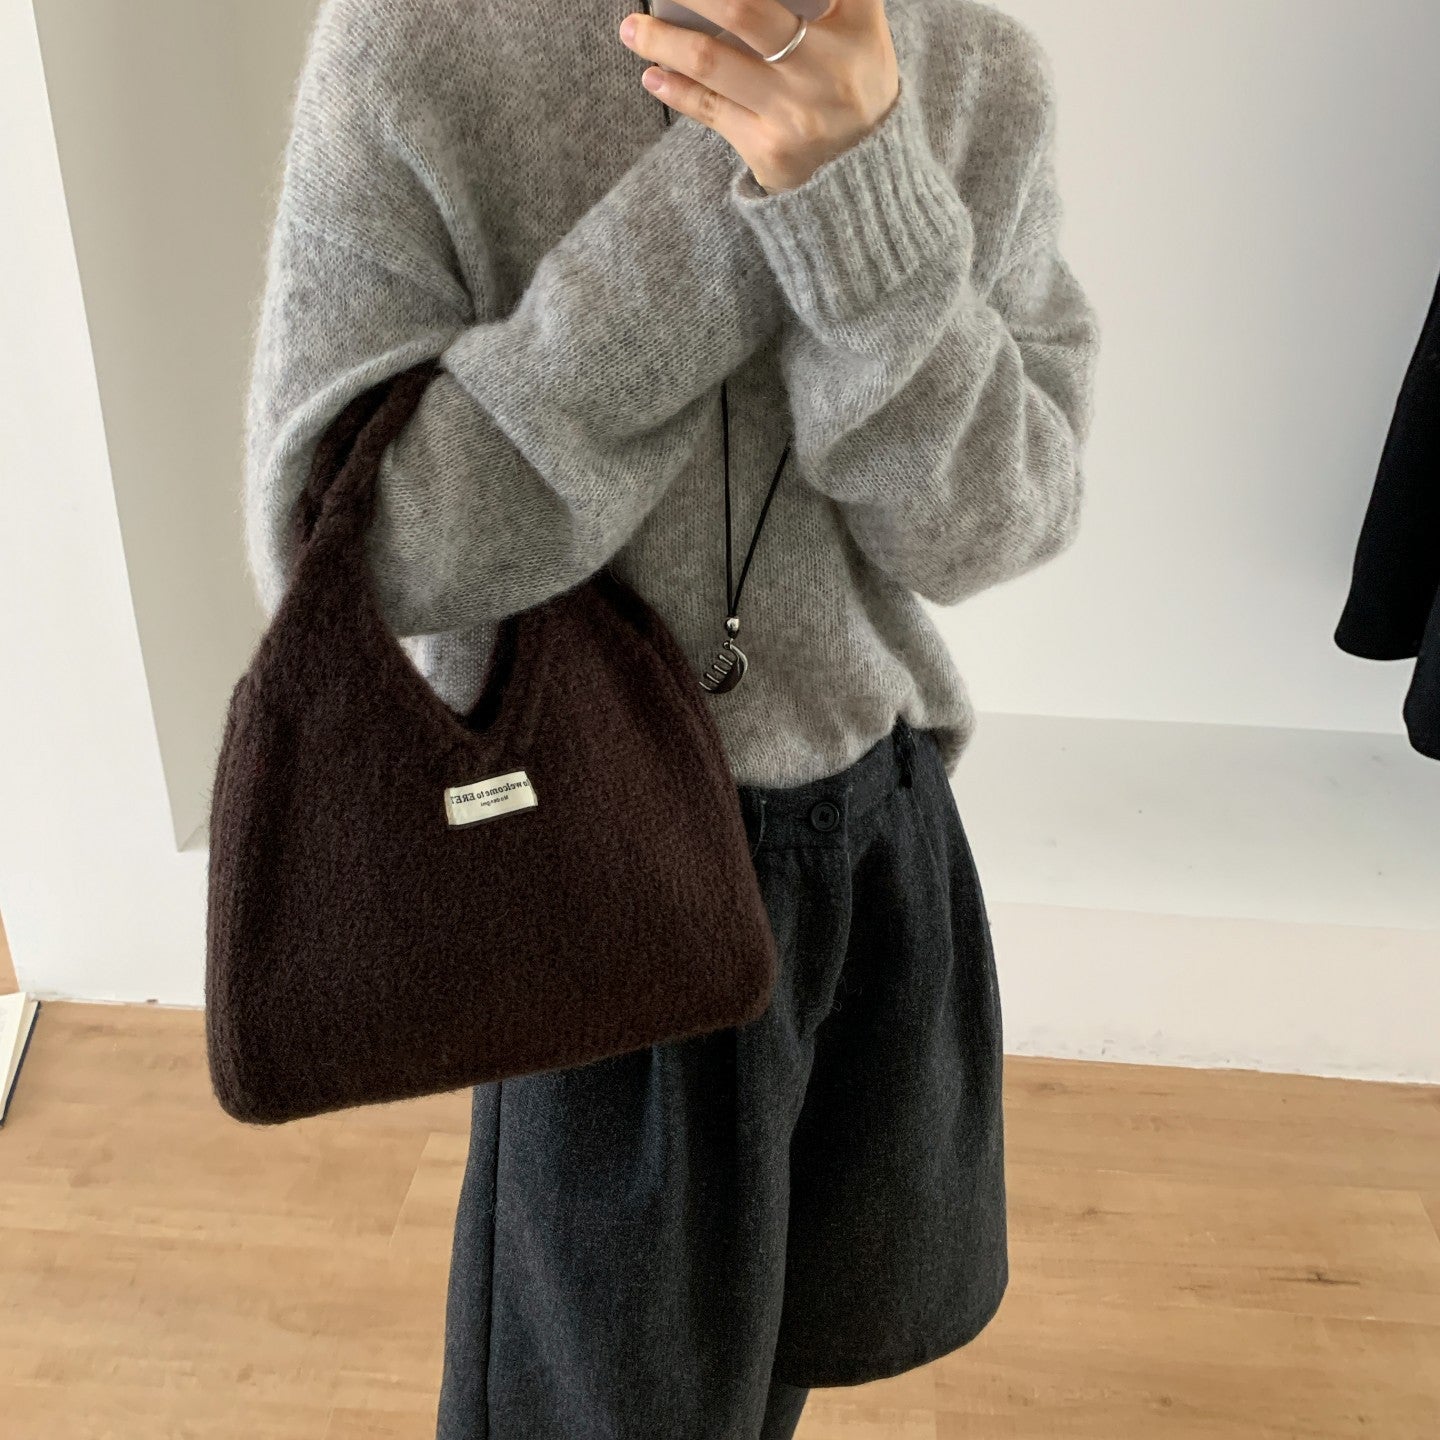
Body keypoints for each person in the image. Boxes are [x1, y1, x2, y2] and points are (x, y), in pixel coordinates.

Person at [242, 0, 1100, 1434]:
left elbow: (996, 523)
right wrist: (739, 198)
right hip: (590, 871)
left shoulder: (970, 60)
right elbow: (360, 552)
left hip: (874, 844)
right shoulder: (418, 43)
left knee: (778, 1375)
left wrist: (865, 212)